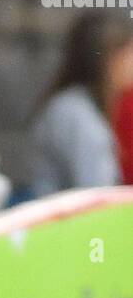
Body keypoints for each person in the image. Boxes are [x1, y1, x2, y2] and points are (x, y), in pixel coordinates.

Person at [30, 13, 133, 197]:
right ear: (110, 59)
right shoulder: (75, 113)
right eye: (130, 53)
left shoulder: (81, 106)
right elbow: (97, 196)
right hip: (66, 223)